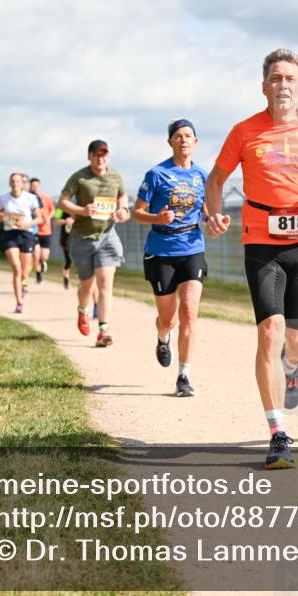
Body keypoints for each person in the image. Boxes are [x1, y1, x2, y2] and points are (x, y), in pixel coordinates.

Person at [205, 49, 298, 469]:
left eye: (290, 78)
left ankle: (292, 367)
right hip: (260, 238)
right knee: (270, 330)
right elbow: (216, 178)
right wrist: (212, 214)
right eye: (275, 77)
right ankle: (278, 432)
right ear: (263, 84)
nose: (282, 84)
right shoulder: (245, 131)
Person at [133, 119, 209, 397]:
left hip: (192, 247)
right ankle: (163, 338)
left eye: (189, 135)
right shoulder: (156, 174)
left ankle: (184, 375)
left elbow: (207, 211)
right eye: (178, 136)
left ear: (196, 142)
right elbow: (136, 212)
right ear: (170, 142)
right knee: (169, 319)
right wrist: (157, 217)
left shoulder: (202, 175)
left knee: (189, 312)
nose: (184, 140)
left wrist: (215, 220)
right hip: (161, 250)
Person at [57, 139, 130, 348]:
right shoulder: (80, 177)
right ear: (89, 156)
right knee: (87, 287)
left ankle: (103, 330)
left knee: (105, 283)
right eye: (97, 155)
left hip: (107, 235)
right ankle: (82, 310)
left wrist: (122, 211)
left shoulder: (115, 176)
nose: (101, 158)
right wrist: (82, 210)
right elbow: (62, 202)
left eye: (104, 154)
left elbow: (123, 199)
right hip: (82, 238)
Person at [0, 173, 44, 313]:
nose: (15, 183)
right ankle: (19, 302)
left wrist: (26, 224)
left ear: (22, 183)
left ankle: (23, 282)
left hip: (26, 234)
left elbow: (40, 219)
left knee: (24, 270)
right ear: (9, 183)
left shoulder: (30, 198)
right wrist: (0, 216)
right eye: (13, 181)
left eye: (18, 181)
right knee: (16, 267)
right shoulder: (3, 199)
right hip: (10, 234)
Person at [28, 178, 56, 285]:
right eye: (32, 186)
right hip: (34, 231)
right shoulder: (29, 199)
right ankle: (38, 275)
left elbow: (55, 210)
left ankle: (43, 262)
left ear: (40, 186)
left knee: (44, 256)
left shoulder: (46, 198)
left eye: (36, 186)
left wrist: (49, 217)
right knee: (36, 255)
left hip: (46, 231)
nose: (34, 188)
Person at [52, 207, 75, 289]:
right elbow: (55, 221)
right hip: (66, 239)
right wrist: (66, 221)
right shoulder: (60, 208)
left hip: (79, 238)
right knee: (68, 261)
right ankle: (66, 280)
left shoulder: (82, 202)